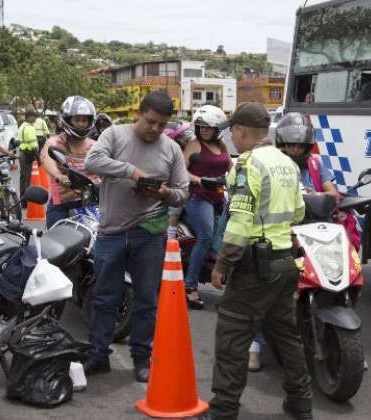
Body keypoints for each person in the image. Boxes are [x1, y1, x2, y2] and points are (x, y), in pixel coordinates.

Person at [206, 102, 312, 420]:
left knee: (232, 336)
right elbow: (298, 213)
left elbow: (239, 224)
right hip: (285, 263)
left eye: (232, 133)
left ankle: (223, 411)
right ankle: (301, 403)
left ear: (240, 130)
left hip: (255, 267)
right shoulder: (288, 163)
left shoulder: (247, 165)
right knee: (286, 336)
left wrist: (222, 264)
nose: (231, 140)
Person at [83, 90, 189, 383]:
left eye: (161, 124)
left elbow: (182, 194)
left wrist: (165, 192)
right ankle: (98, 355)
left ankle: (142, 357)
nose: (155, 129)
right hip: (111, 232)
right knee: (105, 297)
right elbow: (92, 161)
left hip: (150, 233)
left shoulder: (172, 149)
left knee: (146, 300)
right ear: (138, 114)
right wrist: (131, 172)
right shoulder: (115, 135)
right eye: (150, 121)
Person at [275, 112, 361, 249]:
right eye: (291, 145)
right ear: (283, 144)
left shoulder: (315, 163)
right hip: (286, 230)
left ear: (307, 146)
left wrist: (316, 195)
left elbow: (332, 193)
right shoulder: (275, 166)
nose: (296, 150)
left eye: (300, 145)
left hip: (317, 229)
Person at [182, 105, 233, 309]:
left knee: (233, 236)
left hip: (220, 196)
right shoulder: (194, 145)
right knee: (206, 237)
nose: (204, 130)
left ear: (217, 129)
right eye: (201, 126)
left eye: (208, 127)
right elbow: (181, 170)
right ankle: (190, 286)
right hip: (198, 197)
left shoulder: (222, 146)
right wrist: (198, 180)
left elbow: (231, 166)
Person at [41, 96, 99, 228]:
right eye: (77, 119)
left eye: (84, 120)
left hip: (93, 204)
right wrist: (59, 175)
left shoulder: (96, 145)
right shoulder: (55, 142)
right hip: (62, 207)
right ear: (67, 120)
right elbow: (47, 159)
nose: (81, 124)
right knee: (55, 246)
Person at [17, 107, 40, 201]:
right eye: (34, 117)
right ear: (29, 117)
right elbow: (34, 146)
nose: (35, 119)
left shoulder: (22, 126)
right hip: (28, 154)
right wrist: (39, 159)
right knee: (27, 179)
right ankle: (26, 200)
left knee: (22, 178)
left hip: (22, 153)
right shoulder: (30, 128)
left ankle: (22, 199)